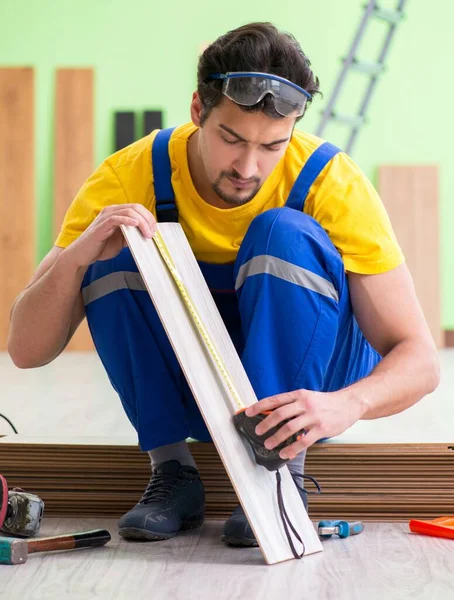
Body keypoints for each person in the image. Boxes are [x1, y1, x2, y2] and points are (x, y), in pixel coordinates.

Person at [8, 22, 439, 548]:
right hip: (198, 383)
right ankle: (173, 475)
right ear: (197, 111)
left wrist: (347, 405)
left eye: (272, 146)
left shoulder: (330, 181)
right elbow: (26, 351)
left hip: (310, 388)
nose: (248, 167)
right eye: (231, 139)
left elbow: (420, 358)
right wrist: (76, 258)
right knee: (111, 246)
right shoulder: (132, 173)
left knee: (280, 232)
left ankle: (280, 469)